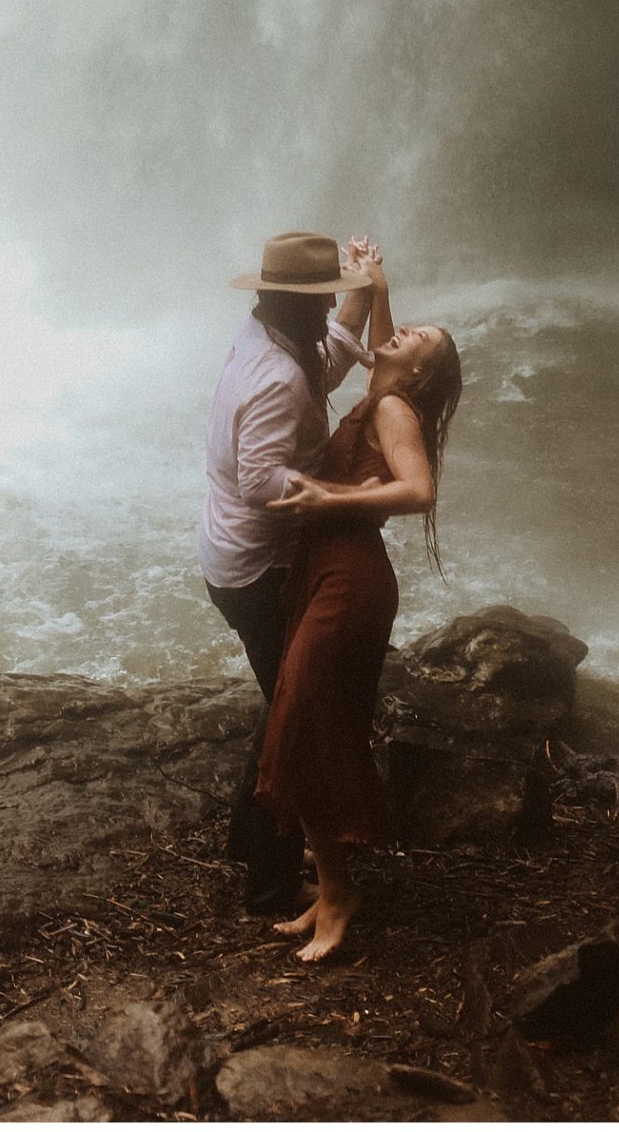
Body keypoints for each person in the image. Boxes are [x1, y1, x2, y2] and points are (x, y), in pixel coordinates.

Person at [257, 241, 463, 961]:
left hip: (351, 580)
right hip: (329, 568)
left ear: (422, 370)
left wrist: (328, 493)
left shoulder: (393, 411)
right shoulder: (386, 387)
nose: (400, 335)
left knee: (310, 728)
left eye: (416, 339)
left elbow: (419, 490)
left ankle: (340, 893)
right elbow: (384, 345)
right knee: (301, 725)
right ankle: (331, 887)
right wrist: (377, 284)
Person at [197, 229, 379, 914]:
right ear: (287, 301)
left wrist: (362, 293)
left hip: (235, 555)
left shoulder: (273, 338)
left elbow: (329, 355)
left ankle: (251, 841)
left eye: (331, 290)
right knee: (297, 717)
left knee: (286, 703)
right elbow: (258, 483)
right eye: (320, 294)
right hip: (254, 571)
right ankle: (269, 886)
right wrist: (350, 497)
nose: (329, 302)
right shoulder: (272, 376)